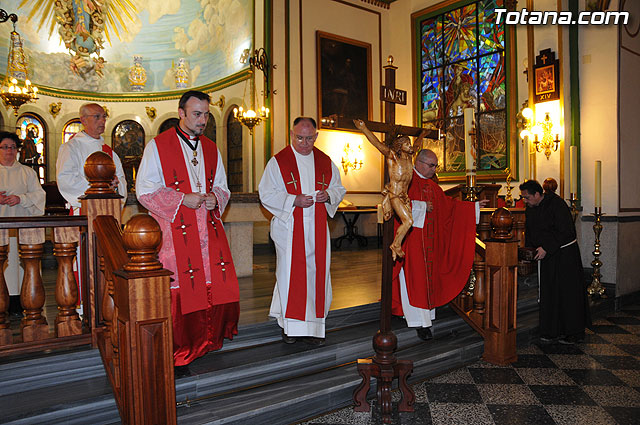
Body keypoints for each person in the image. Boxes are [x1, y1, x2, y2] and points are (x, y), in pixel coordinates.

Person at [136, 90, 239, 372]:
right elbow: (144, 191)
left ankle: (207, 340)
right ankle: (179, 351)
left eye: (206, 114)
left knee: (214, 285)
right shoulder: (158, 146)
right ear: (180, 113)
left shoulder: (211, 148)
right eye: (197, 114)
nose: (203, 120)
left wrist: (215, 198)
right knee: (181, 291)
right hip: (175, 234)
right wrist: (183, 198)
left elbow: (222, 186)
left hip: (207, 230)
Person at [258, 117, 346, 346]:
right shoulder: (279, 162)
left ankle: (313, 327)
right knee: (290, 274)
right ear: (291, 134)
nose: (304, 143)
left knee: (317, 274)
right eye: (299, 138)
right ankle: (291, 326)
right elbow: (266, 193)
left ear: (316, 136)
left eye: (309, 138)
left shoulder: (325, 161)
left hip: (317, 228)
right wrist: (292, 200)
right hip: (289, 228)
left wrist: (330, 196)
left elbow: (338, 187)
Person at [390, 148, 488, 340]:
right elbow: (396, 203)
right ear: (418, 163)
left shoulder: (433, 186)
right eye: (431, 165)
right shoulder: (405, 181)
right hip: (412, 241)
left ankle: (425, 319)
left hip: (430, 243)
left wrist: (473, 207)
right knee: (415, 280)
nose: (434, 170)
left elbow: (449, 206)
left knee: (426, 280)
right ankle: (419, 323)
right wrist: (422, 206)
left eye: (435, 166)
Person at [519, 179, 590, 344]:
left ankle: (574, 332)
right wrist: (528, 251)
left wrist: (546, 247)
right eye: (523, 198)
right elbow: (530, 231)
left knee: (567, 294)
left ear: (537, 194)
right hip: (547, 257)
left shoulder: (557, 204)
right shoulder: (530, 209)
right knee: (549, 293)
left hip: (565, 256)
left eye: (527, 197)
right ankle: (552, 330)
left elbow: (566, 231)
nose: (525, 201)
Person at [353, 119, 428, 260]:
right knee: (408, 221)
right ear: (400, 146)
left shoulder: (409, 158)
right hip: (394, 195)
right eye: (406, 143)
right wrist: (364, 128)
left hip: (404, 196)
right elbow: (377, 144)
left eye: (409, 143)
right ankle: (395, 245)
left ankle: (396, 245)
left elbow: (417, 145)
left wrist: (422, 134)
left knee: (409, 221)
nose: (409, 145)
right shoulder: (392, 156)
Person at [0, 131, 46, 315]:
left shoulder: (27, 172)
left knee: (20, 266)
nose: (9, 150)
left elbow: (40, 196)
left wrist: (20, 199)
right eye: (4, 147)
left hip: (22, 228)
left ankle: (24, 300)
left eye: (12, 147)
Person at [56, 103, 127, 211]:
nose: (102, 121)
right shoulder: (71, 147)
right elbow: (66, 179)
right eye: (97, 117)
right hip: (83, 209)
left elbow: (121, 178)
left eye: (104, 117)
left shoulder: (109, 151)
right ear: (84, 120)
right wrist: (101, 189)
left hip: (109, 209)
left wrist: (116, 185)